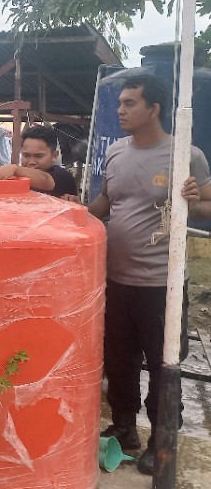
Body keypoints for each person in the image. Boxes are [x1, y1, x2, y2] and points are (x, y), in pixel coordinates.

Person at [88, 73, 211, 475]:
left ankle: (161, 438)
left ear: (154, 108)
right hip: (116, 281)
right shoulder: (116, 152)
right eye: (119, 103)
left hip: (162, 285)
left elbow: (208, 205)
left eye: (129, 104)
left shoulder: (185, 154)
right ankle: (124, 428)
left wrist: (193, 200)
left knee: (162, 364)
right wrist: (70, 217)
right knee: (119, 361)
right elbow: (106, 202)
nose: (120, 110)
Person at [0, 124, 78, 198]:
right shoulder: (18, 179)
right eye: (26, 155)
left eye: (39, 156)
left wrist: (14, 168)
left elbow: (45, 180)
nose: (31, 162)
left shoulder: (62, 177)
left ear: (54, 155)